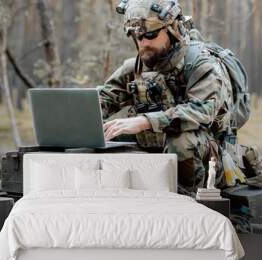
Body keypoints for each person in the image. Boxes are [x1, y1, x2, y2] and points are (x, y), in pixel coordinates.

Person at [98, 0, 236, 195]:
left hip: (211, 157)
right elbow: (104, 98)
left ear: (172, 30)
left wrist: (146, 121)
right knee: (109, 134)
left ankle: (186, 205)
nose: (143, 42)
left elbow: (203, 112)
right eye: (137, 36)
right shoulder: (135, 67)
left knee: (182, 142)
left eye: (151, 35)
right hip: (157, 145)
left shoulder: (201, 65)